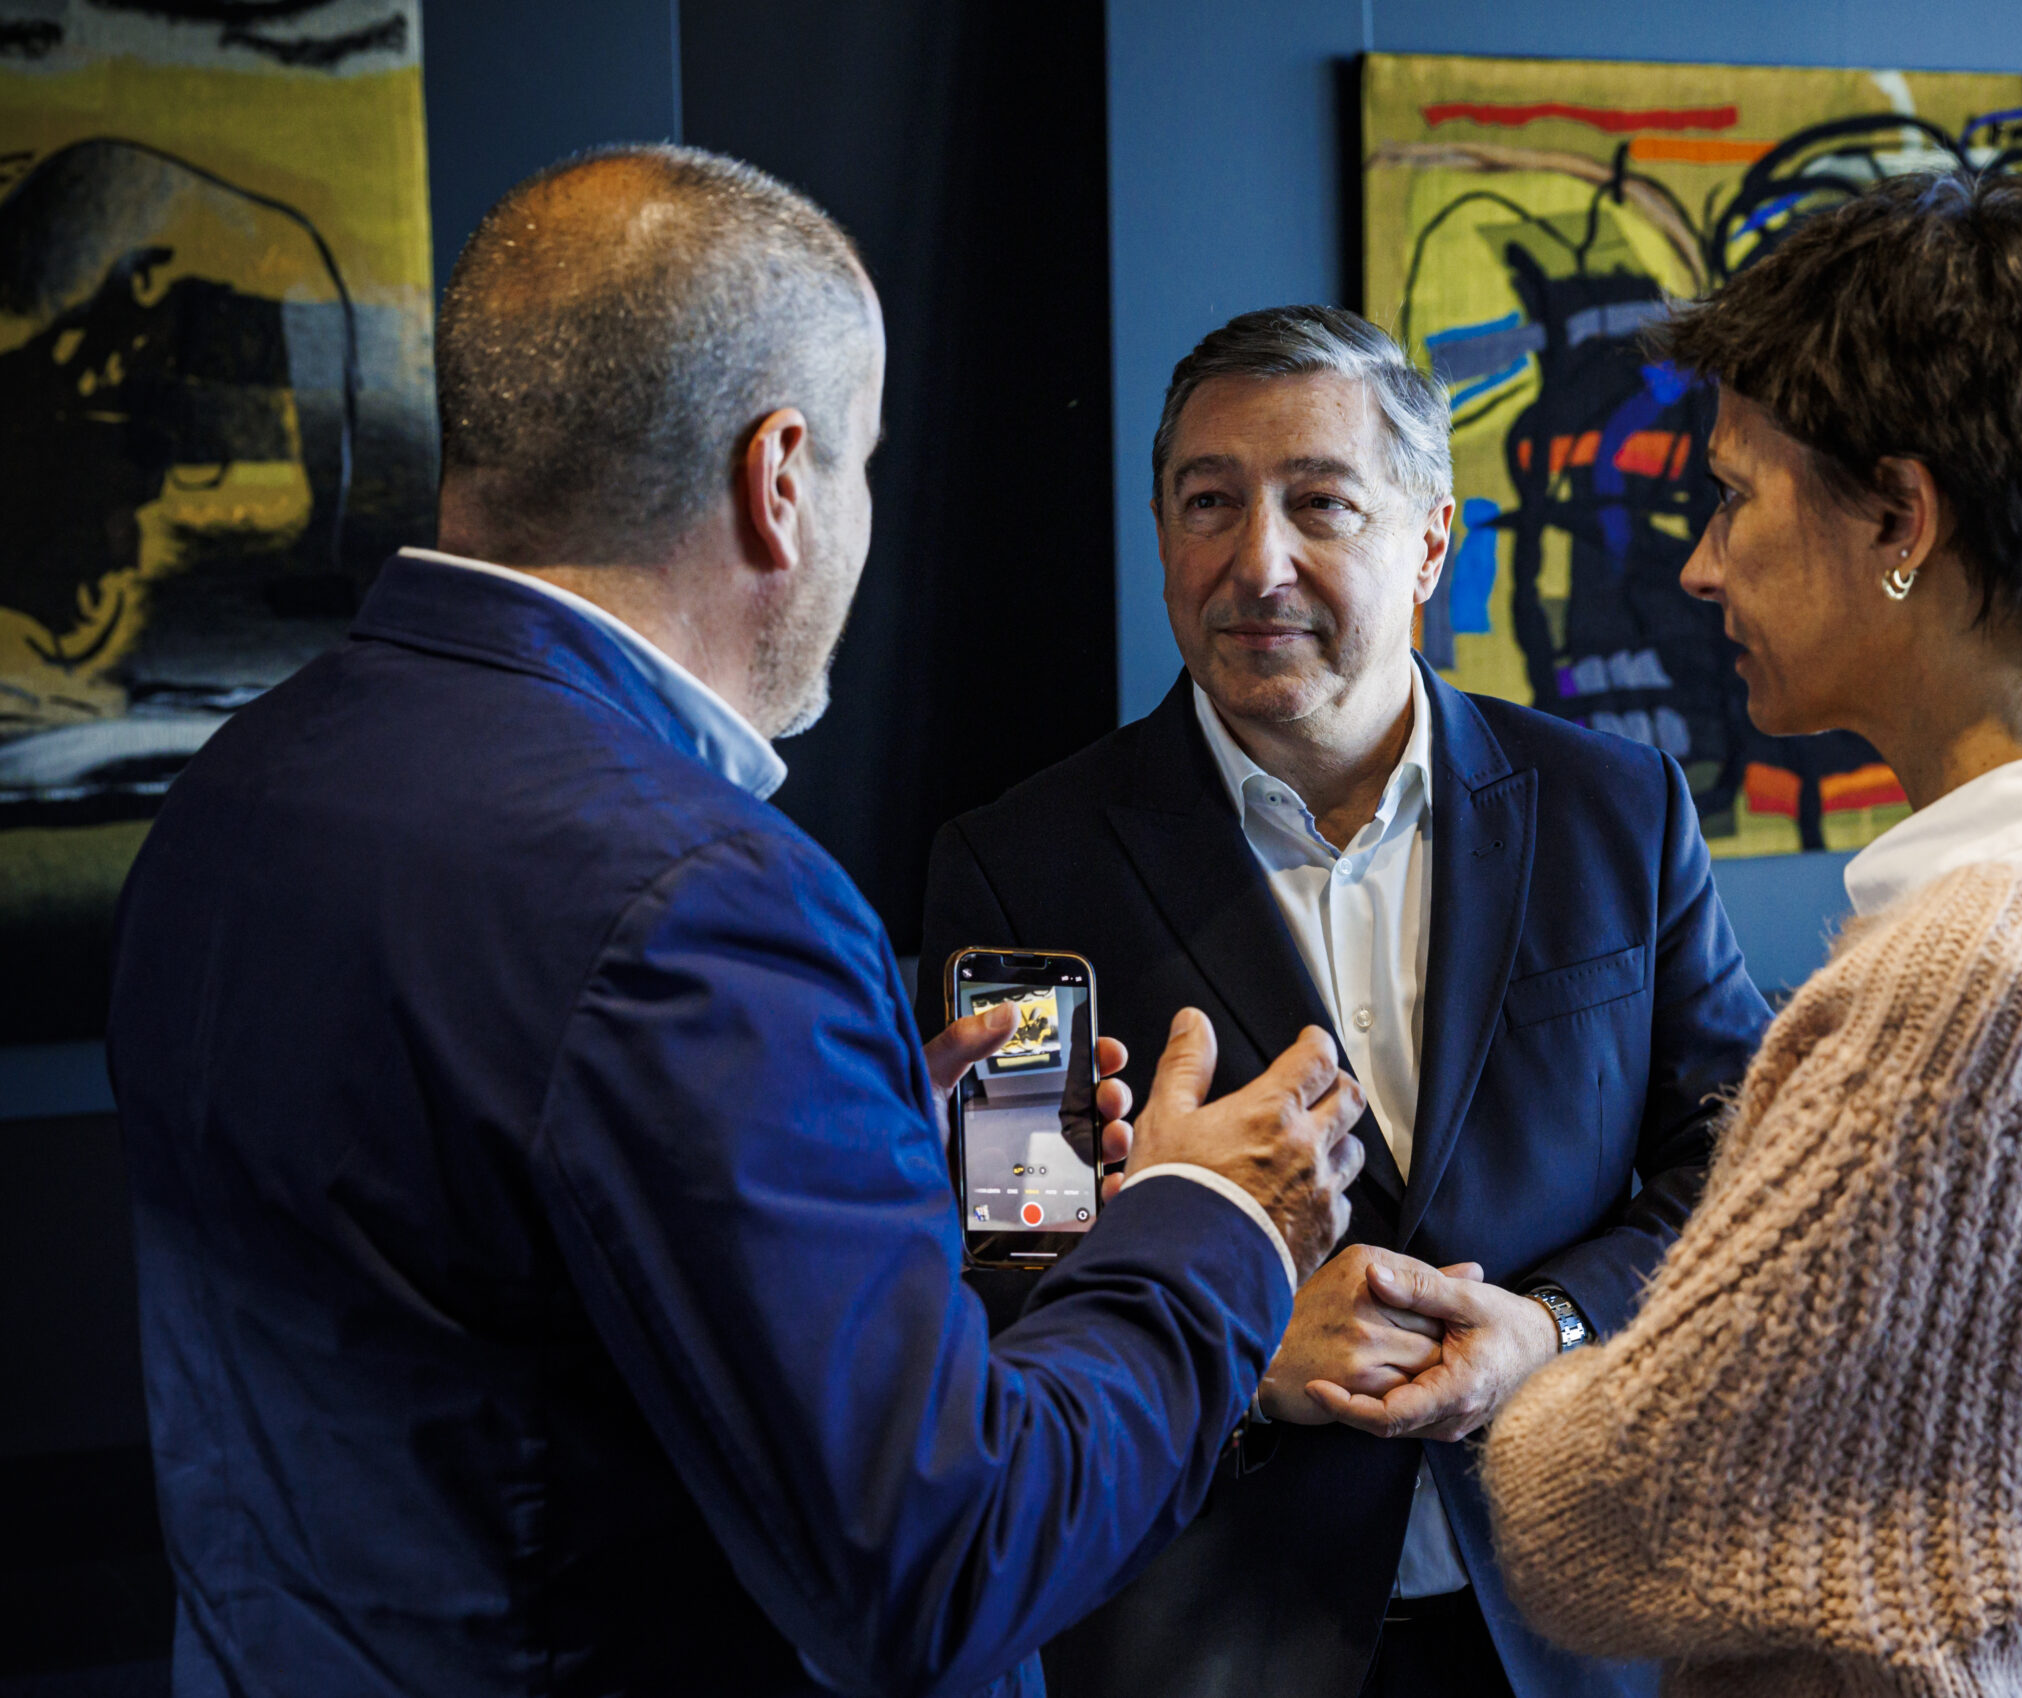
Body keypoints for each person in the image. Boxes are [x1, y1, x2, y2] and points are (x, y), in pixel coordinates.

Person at [105, 145, 1369, 1698]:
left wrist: (845, 1154)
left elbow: (481, 1272)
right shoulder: (701, 903)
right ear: (780, 478)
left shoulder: (242, 782)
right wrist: (1209, 1219)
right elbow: (945, 1566)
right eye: (861, 463)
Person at [1474, 171, 2022, 1697]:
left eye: (1735, 494)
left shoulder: (1971, 981)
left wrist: (1520, 1366)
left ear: (1900, 518)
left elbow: (1598, 1516)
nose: (1700, 563)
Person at [916, 304, 1771, 1698]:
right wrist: (1239, 1342)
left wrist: (1553, 1326)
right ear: (1160, 532)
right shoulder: (1023, 871)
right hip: (1214, 1640)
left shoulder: (1619, 812)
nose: (1257, 561)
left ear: (1430, 541)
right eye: (1210, 503)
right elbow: (1007, 1263)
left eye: (1320, 502)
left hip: (1576, 1629)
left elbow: (1736, 1168)